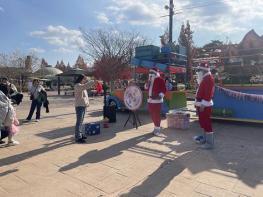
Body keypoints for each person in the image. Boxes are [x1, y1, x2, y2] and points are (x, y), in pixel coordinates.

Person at [193, 62, 215, 149]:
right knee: (203, 122)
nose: (198, 72)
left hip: (204, 105)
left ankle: (210, 143)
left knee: (206, 123)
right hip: (201, 104)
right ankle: (205, 139)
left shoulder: (208, 79)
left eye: (199, 70)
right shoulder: (204, 78)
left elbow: (208, 94)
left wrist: (203, 104)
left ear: (204, 71)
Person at [145, 68, 166, 136]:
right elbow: (146, 88)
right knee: (152, 115)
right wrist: (147, 84)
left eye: (152, 73)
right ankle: (156, 127)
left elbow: (164, 89)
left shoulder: (160, 79)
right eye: (150, 73)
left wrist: (159, 96)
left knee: (156, 115)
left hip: (157, 101)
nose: (150, 74)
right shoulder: (149, 80)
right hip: (150, 100)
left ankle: (158, 129)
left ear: (156, 73)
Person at [74, 75, 92, 143]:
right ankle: (78, 137)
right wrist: (93, 81)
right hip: (79, 106)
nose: (85, 80)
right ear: (81, 79)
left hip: (83, 105)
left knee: (81, 122)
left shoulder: (81, 86)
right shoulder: (77, 85)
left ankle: (80, 134)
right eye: (84, 79)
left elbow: (85, 96)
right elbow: (85, 86)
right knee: (79, 122)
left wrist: (87, 104)